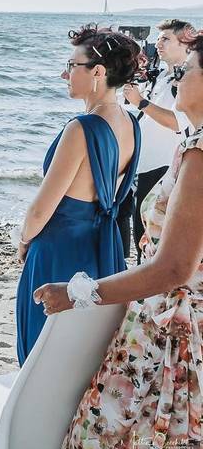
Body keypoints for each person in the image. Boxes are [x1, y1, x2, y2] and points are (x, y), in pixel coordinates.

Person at [35, 32, 203, 449]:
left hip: (172, 333)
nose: (177, 77)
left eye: (187, 70)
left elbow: (175, 268)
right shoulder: (187, 142)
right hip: (166, 314)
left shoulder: (202, 153)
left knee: (100, 446)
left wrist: (77, 293)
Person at [14, 26, 141, 364]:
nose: (64, 73)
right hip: (101, 250)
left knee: (41, 354)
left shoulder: (80, 128)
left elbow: (41, 210)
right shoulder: (131, 124)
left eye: (72, 65)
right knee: (82, 359)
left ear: (97, 72)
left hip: (59, 252)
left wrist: (25, 239)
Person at [122, 19, 195, 262]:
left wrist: (140, 102)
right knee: (141, 237)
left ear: (185, 44)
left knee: (152, 240)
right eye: (158, 38)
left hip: (164, 168)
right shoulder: (164, 75)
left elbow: (178, 122)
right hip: (145, 166)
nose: (158, 44)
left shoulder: (186, 81)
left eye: (166, 39)